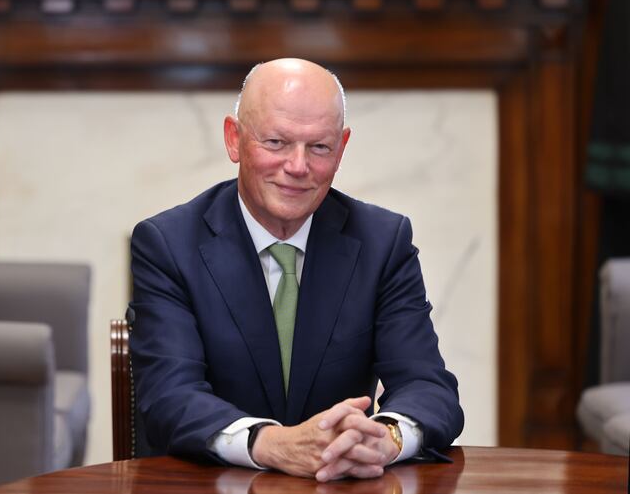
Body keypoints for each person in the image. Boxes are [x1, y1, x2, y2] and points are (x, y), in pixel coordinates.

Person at [129, 58, 464, 482]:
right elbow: (169, 397)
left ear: (341, 149)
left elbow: (429, 387)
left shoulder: (382, 242)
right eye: (276, 142)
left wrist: (385, 438)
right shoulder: (168, 244)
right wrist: (272, 445)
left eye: (319, 147)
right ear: (234, 139)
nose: (298, 166)